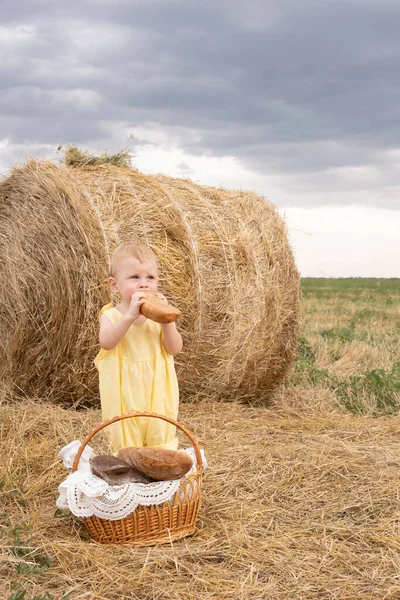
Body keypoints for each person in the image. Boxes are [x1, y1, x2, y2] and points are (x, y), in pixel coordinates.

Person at [94, 242, 183, 452]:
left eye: (150, 278)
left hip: (158, 388)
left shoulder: (161, 318)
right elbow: (106, 342)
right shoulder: (111, 315)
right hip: (123, 390)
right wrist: (130, 316)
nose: (144, 284)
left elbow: (174, 349)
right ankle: (129, 464)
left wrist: (167, 320)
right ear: (114, 285)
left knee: (159, 431)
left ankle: (158, 463)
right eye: (134, 277)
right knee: (126, 437)